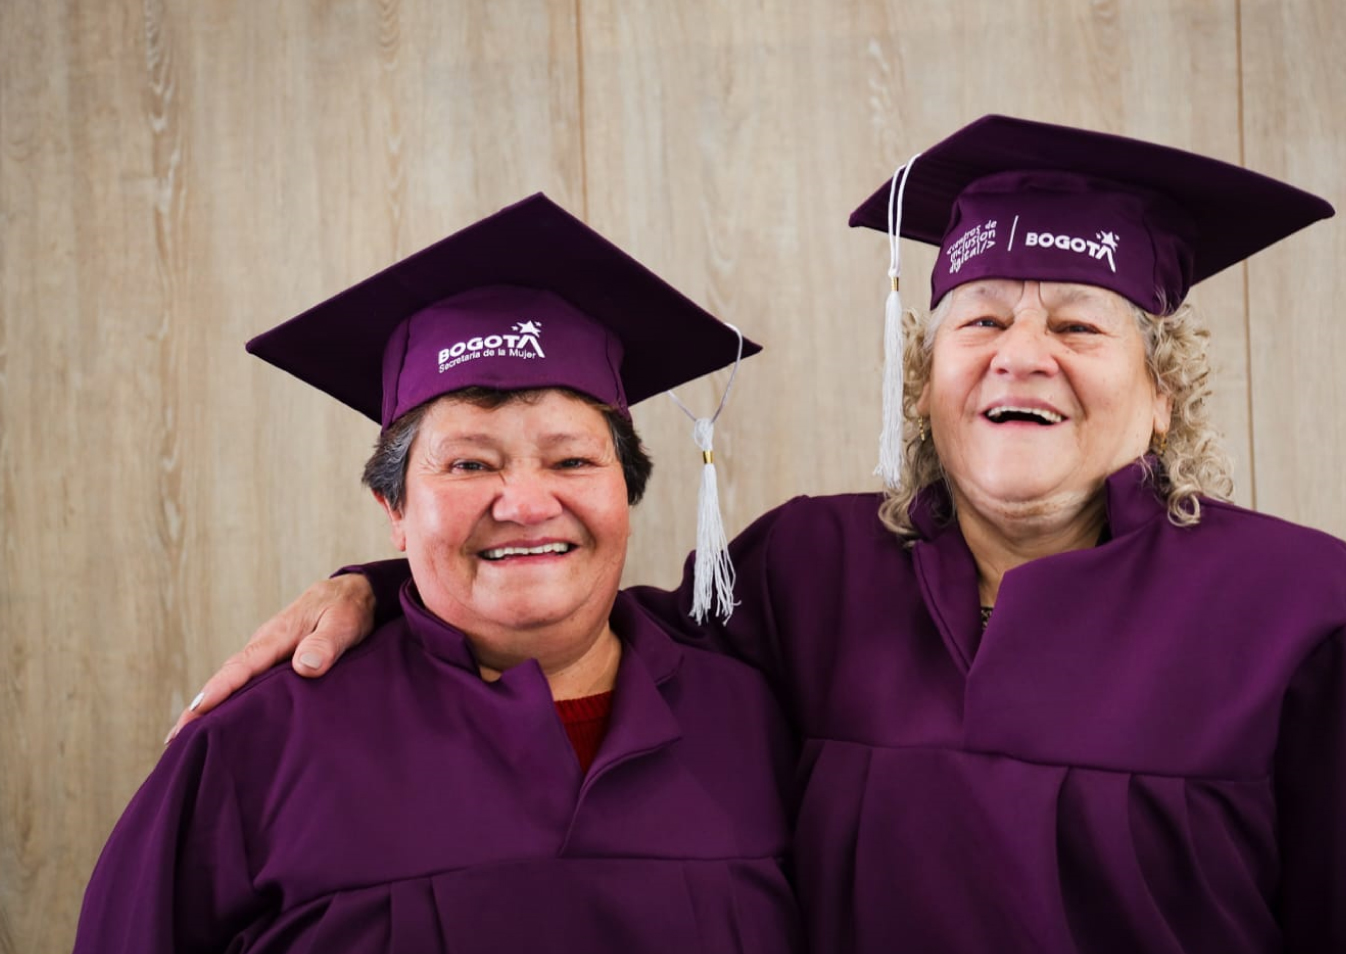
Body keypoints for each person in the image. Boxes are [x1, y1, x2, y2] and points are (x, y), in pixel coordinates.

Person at [174, 118, 1346, 953]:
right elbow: (576, 629)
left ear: (1162, 387)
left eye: (1081, 326)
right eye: (978, 322)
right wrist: (375, 586)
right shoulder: (803, 570)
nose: (1020, 353)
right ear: (926, 373)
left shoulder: (1310, 611)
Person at [76, 194, 803, 953]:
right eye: (469, 463)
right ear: (393, 507)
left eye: (573, 460)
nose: (526, 503)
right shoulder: (256, 746)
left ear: (627, 489)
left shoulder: (754, 721)